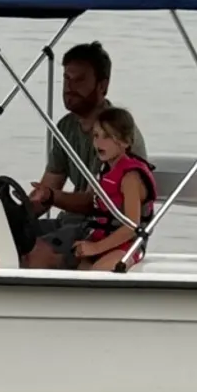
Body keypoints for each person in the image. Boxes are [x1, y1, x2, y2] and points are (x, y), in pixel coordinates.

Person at [0, 42, 147, 269]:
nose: (69, 88)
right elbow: (48, 187)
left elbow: (93, 202)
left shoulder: (117, 136)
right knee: (4, 237)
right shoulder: (66, 127)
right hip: (69, 223)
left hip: (100, 230)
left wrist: (51, 196)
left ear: (102, 86)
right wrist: (12, 213)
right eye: (67, 79)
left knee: (32, 251)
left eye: (79, 81)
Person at [68, 108, 157, 271]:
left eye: (107, 137)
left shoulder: (130, 178)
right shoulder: (104, 171)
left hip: (128, 246)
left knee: (98, 273)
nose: (98, 143)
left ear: (125, 142)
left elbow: (132, 226)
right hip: (102, 240)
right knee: (75, 270)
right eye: (96, 136)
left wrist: (95, 248)